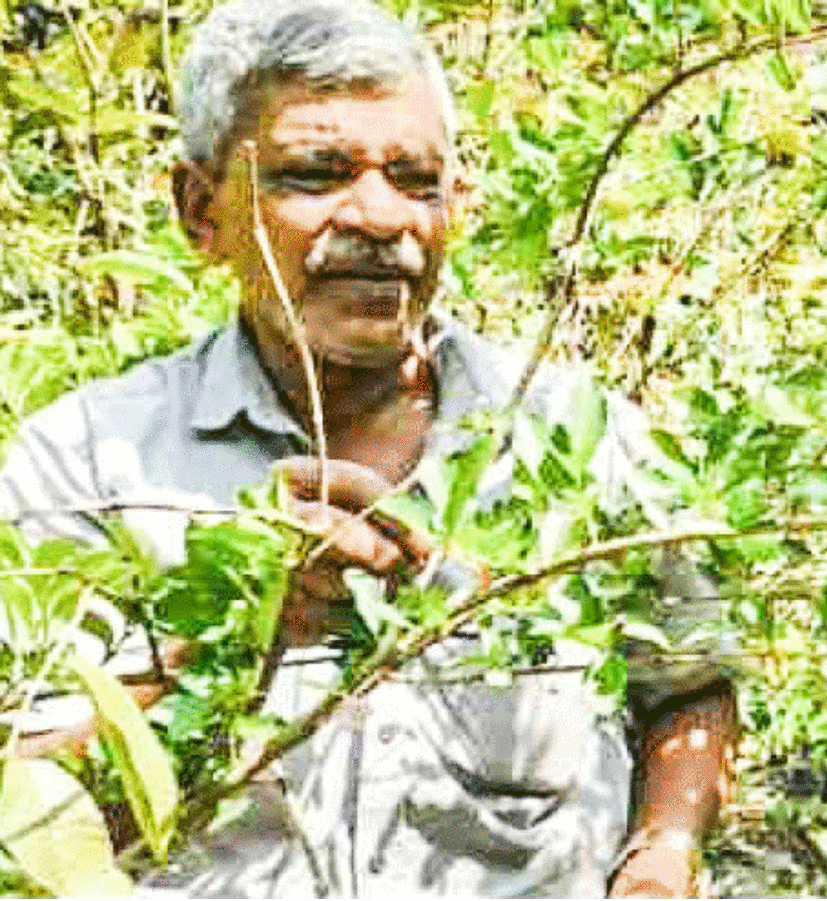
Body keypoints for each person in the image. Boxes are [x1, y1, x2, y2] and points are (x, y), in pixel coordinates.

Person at [0, 0, 736, 895]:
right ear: (201, 211)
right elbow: (29, 817)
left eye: (416, 179)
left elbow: (689, 685)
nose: (381, 217)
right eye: (316, 175)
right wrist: (240, 637)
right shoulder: (88, 464)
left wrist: (662, 856)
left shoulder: (577, 439)